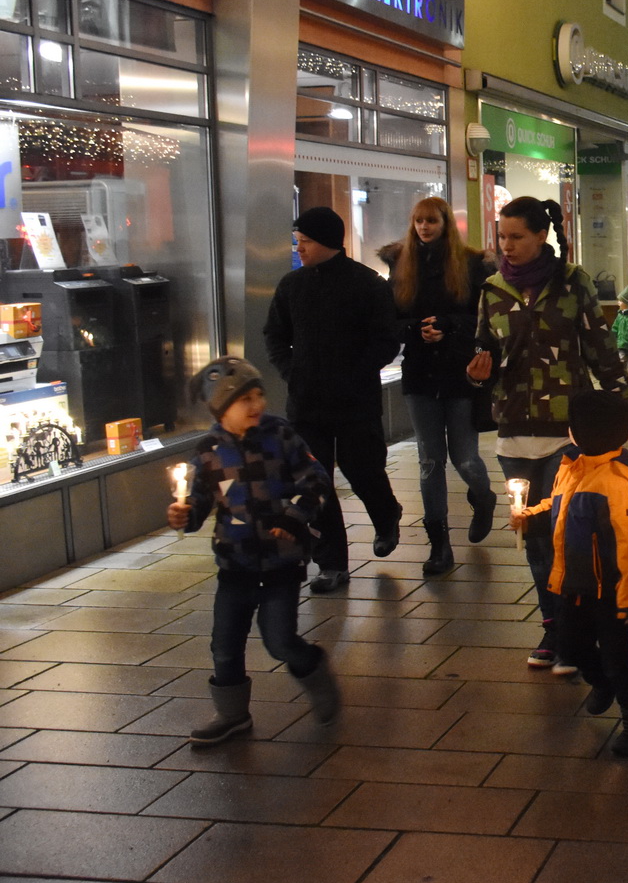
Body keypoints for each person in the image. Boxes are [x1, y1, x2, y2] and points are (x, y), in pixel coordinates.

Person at [467, 197, 628, 669]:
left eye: (516, 236)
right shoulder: (492, 290)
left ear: (542, 236)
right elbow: (483, 350)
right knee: (535, 537)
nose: (507, 245)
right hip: (513, 433)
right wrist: (476, 374)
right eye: (502, 236)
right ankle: (554, 629)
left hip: (566, 432)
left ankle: (573, 631)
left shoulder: (572, 283)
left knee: (566, 535)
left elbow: (601, 349)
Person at [168, 357, 340, 745]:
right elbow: (199, 500)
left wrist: (295, 517)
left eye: (259, 394)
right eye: (245, 398)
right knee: (224, 643)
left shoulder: (280, 436)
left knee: (279, 640)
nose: (257, 403)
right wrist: (185, 514)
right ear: (221, 407)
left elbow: (316, 480)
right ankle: (232, 715)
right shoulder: (209, 450)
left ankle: (314, 670)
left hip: (281, 563)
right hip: (235, 564)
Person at [507, 389, 628, 756]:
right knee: (570, 646)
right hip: (572, 583)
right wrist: (529, 517)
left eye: (572, 425)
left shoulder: (616, 480)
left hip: (609, 592)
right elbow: (557, 506)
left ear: (587, 431)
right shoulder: (573, 464)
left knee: (620, 658)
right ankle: (602, 682)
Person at [264, 206, 403, 593]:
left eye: (305, 241)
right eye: (297, 241)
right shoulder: (291, 286)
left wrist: (357, 372)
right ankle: (332, 564)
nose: (299, 248)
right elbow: (274, 335)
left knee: (364, 470)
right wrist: (292, 371)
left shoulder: (367, 284)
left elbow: (386, 340)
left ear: (327, 242)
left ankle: (386, 515)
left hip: (356, 402)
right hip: (306, 404)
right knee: (315, 481)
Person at [378, 197, 494, 577]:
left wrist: (449, 324)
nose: (424, 228)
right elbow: (391, 320)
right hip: (419, 373)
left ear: (445, 224)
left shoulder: (471, 264)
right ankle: (439, 544)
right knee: (430, 461)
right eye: (419, 221)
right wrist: (416, 330)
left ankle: (484, 497)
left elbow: (482, 317)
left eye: (431, 221)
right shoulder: (401, 263)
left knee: (465, 458)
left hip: (460, 373)